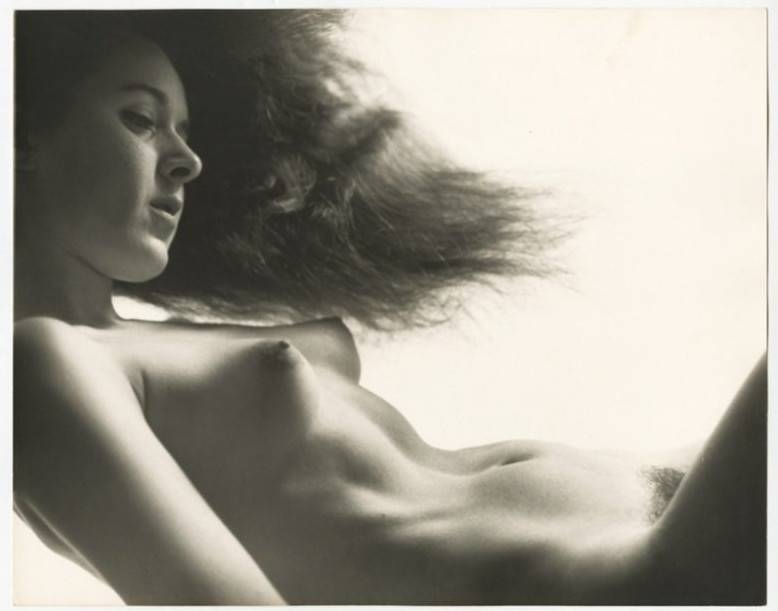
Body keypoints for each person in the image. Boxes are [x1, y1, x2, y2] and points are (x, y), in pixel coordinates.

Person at [12, 10, 766, 605]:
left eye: (184, 131)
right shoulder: (38, 370)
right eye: (141, 119)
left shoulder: (133, 345)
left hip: (668, 490)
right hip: (631, 579)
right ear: (19, 140)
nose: (188, 160)